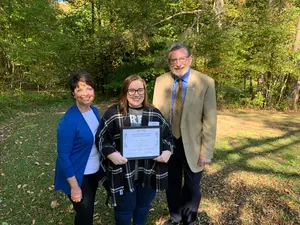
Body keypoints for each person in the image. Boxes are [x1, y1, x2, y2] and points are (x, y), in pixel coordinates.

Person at [96, 75, 174, 225]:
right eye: (131, 90)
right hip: (123, 172)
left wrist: (167, 151)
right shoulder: (113, 113)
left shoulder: (154, 113)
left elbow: (168, 137)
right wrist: (111, 154)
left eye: (140, 90)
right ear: (125, 91)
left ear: (145, 91)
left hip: (149, 171)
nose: (136, 94)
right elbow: (101, 138)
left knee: (143, 207)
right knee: (124, 211)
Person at [153, 43, 217, 225]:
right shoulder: (161, 81)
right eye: (174, 60)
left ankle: (189, 220)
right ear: (169, 62)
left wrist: (206, 151)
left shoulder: (206, 82)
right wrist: (155, 144)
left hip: (194, 145)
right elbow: (156, 114)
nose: (178, 63)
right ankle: (175, 217)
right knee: (171, 184)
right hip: (168, 143)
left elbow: (210, 120)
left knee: (192, 185)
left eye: (182, 59)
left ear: (190, 59)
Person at [54, 71, 104, 225]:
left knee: (86, 212)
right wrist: (74, 187)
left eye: (88, 88)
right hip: (78, 176)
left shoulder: (94, 111)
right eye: (79, 89)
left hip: (94, 171)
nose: (85, 93)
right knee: (85, 216)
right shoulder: (68, 121)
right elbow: (63, 156)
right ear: (73, 94)